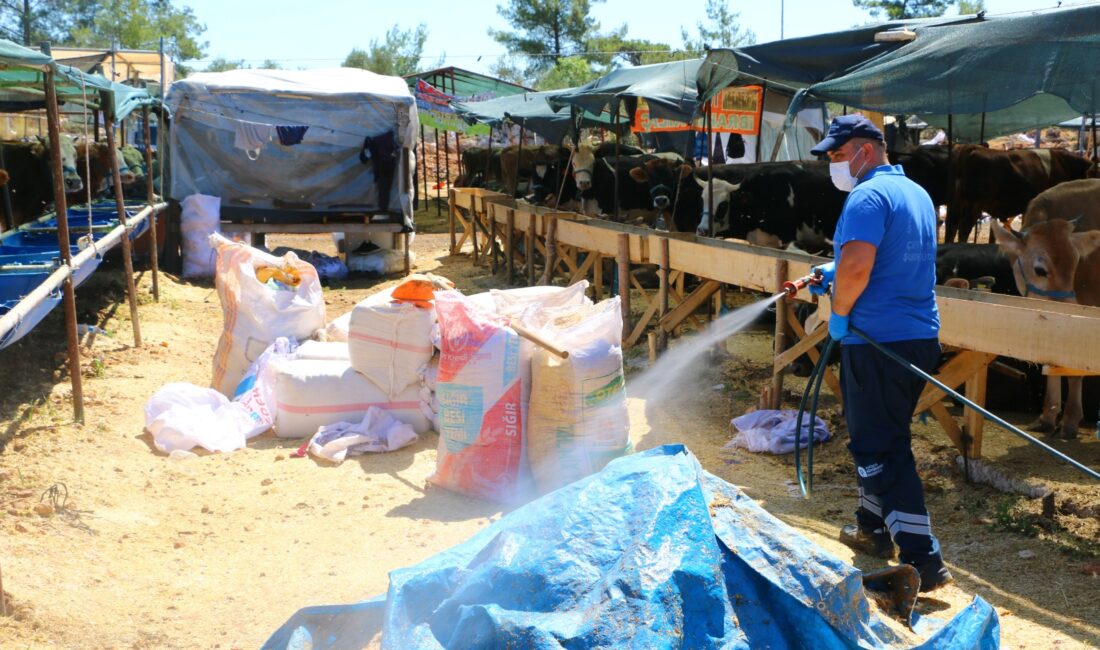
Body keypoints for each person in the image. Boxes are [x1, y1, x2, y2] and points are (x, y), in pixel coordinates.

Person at [808, 114, 952, 592]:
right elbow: (890, 256)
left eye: (836, 156)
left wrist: (840, 312)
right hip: (918, 336)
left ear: (864, 151)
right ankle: (872, 528)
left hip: (876, 342)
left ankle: (922, 562)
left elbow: (856, 269)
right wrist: (834, 269)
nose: (834, 166)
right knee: (881, 432)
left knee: (879, 447)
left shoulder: (866, 196)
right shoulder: (916, 194)